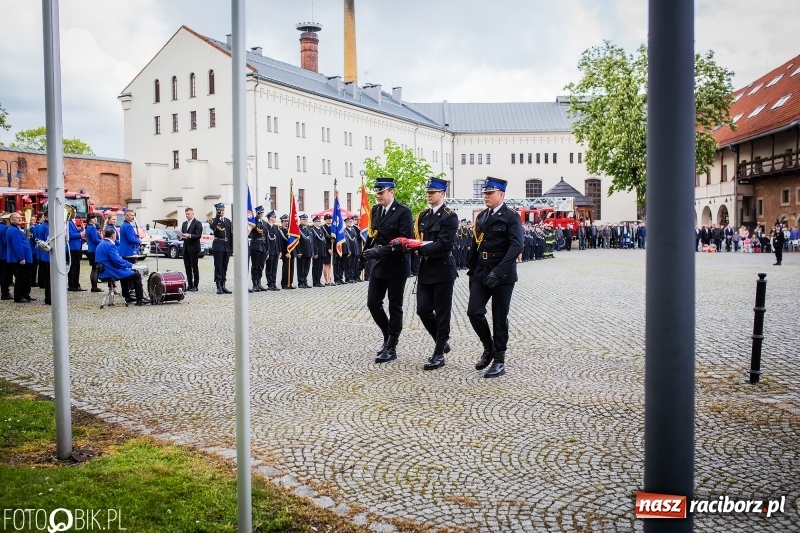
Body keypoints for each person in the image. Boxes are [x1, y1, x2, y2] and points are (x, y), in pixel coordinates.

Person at [466, 177, 523, 378]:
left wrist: (499, 271)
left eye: (490, 193)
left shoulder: (511, 217)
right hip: (482, 272)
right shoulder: (481, 217)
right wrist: (472, 271)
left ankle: (499, 359)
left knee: (499, 317)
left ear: (501, 195)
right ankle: (488, 347)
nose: (486, 196)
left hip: (503, 274)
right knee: (473, 312)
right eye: (485, 193)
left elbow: (517, 245)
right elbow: (475, 245)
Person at [360, 177, 413, 363]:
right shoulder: (376, 210)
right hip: (379, 263)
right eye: (377, 193)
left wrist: (378, 251)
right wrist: (363, 256)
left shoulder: (403, 212)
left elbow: (404, 240)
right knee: (373, 303)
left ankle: (391, 346)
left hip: (397, 264)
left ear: (392, 192)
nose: (378, 196)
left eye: (381, 192)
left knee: (394, 305)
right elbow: (373, 236)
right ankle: (387, 335)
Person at [413, 177, 458, 370]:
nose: (429, 195)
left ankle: (439, 352)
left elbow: (444, 244)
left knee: (442, 312)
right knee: (423, 309)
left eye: (433, 192)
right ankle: (442, 341)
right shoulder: (423, 216)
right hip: (426, 268)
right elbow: (418, 238)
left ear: (443, 194)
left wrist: (419, 248)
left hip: (442, 268)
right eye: (428, 192)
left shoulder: (450, 216)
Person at [95, 226, 150, 306]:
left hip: (103, 271)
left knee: (125, 273)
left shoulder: (100, 244)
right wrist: (130, 265)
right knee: (136, 275)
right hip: (110, 271)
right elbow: (117, 261)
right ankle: (140, 299)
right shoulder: (110, 245)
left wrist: (125, 266)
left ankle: (127, 296)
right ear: (113, 236)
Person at [5, 212, 35, 303]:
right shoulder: (14, 230)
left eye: (20, 217)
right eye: (17, 217)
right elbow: (17, 246)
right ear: (11, 220)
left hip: (22, 258)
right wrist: (21, 258)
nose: (20, 218)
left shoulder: (16, 229)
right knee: (20, 278)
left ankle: (25, 295)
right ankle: (19, 296)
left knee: (25, 278)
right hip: (18, 259)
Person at [210, 202, 233, 294]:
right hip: (218, 245)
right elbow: (213, 227)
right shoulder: (213, 220)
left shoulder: (227, 221)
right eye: (220, 210)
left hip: (226, 246)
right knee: (218, 266)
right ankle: (218, 285)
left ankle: (223, 284)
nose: (222, 212)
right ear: (217, 211)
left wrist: (231, 248)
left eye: (223, 210)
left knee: (224, 266)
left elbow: (231, 234)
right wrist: (217, 217)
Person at [181, 207, 202, 291]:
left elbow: (198, 235)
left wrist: (189, 235)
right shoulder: (184, 224)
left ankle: (195, 285)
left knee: (194, 267)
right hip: (185, 248)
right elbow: (183, 235)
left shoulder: (197, 223)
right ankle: (190, 284)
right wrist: (180, 237)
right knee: (187, 267)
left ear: (193, 213)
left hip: (194, 248)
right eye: (186, 214)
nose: (187, 216)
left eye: (188, 214)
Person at [248, 206, 268, 292]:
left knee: (261, 266)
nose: (262, 214)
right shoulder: (253, 222)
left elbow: (266, 236)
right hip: (255, 245)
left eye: (263, 212)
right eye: (260, 212)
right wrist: (256, 218)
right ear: (257, 212)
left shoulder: (264, 222)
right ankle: (255, 283)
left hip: (263, 245)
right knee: (255, 266)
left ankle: (259, 282)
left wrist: (267, 249)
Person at [84, 212, 103, 292]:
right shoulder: (91, 228)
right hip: (94, 250)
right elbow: (95, 240)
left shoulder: (89, 227)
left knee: (94, 268)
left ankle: (94, 286)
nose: (95, 219)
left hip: (91, 249)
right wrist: (102, 241)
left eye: (95, 217)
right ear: (89, 219)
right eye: (93, 218)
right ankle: (94, 287)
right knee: (95, 269)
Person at [67, 211, 85, 291]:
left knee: (73, 266)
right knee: (75, 267)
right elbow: (70, 235)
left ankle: (72, 284)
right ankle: (75, 285)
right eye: (73, 212)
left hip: (75, 246)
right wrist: (81, 234)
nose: (75, 213)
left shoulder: (71, 222)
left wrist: (79, 229)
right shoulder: (69, 222)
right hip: (74, 247)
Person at [264, 210, 281, 290]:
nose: (275, 218)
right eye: (274, 217)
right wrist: (266, 251)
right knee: (269, 268)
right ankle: (270, 284)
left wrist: (280, 251)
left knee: (274, 268)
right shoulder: (265, 227)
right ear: (270, 218)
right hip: (269, 250)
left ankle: (273, 283)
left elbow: (278, 240)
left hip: (275, 250)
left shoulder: (275, 227)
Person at [278, 214, 296, 289]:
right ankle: (284, 283)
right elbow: (280, 243)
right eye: (285, 221)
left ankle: (290, 283)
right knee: (285, 269)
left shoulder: (290, 231)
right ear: (282, 222)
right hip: (286, 253)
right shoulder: (281, 231)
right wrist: (285, 253)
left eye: (287, 221)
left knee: (291, 268)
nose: (287, 223)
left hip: (291, 252)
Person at [296, 213, 313, 288]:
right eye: (303, 219)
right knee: (301, 268)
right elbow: (297, 242)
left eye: (306, 219)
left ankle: (305, 281)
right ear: (300, 220)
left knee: (306, 268)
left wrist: (312, 251)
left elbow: (311, 241)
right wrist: (298, 251)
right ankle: (301, 282)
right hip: (301, 252)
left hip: (308, 251)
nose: (305, 220)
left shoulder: (309, 229)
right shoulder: (297, 229)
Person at [310, 215, 327, 287]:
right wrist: (315, 252)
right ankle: (315, 281)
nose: (320, 222)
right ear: (314, 222)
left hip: (322, 251)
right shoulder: (312, 230)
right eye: (318, 221)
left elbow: (323, 242)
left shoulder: (321, 230)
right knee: (316, 267)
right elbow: (313, 242)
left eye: (320, 221)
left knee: (320, 267)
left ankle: (319, 280)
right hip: (317, 252)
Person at [322, 213, 333, 286]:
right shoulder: (323, 228)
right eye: (327, 219)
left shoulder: (333, 227)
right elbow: (323, 240)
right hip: (326, 248)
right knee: (326, 265)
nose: (329, 220)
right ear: (325, 220)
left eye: (330, 219)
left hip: (333, 248)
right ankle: (326, 280)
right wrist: (328, 248)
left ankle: (329, 279)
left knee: (330, 264)